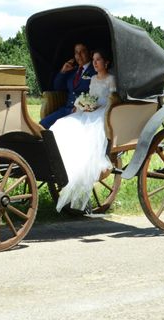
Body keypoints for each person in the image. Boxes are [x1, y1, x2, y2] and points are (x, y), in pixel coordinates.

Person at [51, 48, 117, 212]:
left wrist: (95, 107)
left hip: (103, 112)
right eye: (93, 60)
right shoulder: (93, 78)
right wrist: (83, 105)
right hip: (88, 110)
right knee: (62, 125)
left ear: (106, 62)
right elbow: (89, 96)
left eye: (98, 60)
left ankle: (83, 168)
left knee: (88, 133)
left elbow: (113, 100)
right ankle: (62, 164)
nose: (95, 63)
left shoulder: (111, 79)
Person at [40, 43, 95, 129]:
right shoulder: (72, 71)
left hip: (83, 112)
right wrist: (63, 71)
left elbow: (96, 95)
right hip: (66, 109)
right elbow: (57, 87)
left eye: (82, 52)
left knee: (61, 129)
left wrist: (81, 107)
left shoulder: (95, 70)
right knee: (42, 125)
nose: (79, 55)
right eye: (76, 52)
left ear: (89, 53)